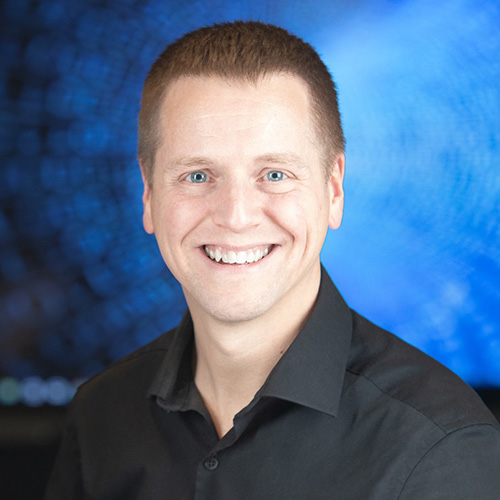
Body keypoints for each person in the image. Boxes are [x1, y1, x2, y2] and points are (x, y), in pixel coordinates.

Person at [45, 21, 500, 499]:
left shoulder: (441, 449)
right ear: (149, 193)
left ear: (334, 188)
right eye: (198, 175)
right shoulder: (101, 415)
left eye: (275, 174)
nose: (236, 217)